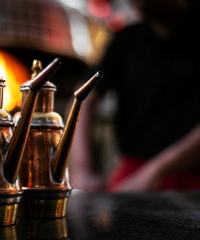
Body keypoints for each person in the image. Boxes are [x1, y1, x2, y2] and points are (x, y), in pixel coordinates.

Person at [69, 0, 200, 192]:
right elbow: (83, 99)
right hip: (134, 169)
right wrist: (82, 168)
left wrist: (155, 171)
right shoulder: (126, 39)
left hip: (193, 172)